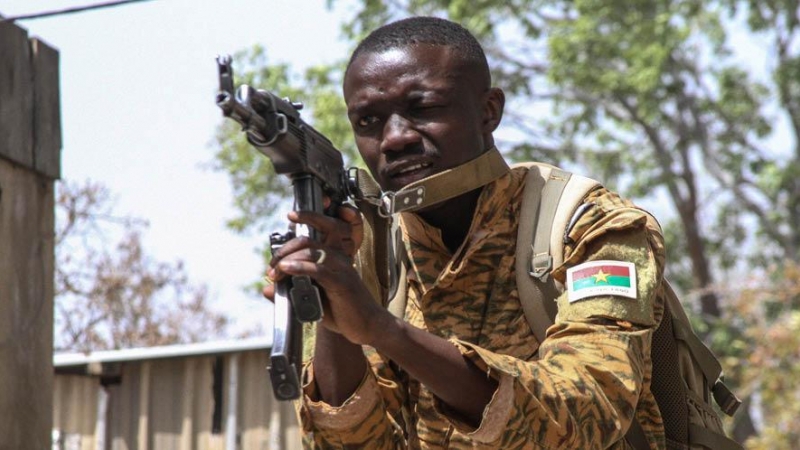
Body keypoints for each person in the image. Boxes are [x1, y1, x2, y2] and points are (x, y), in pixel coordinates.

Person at [263, 16, 667, 449]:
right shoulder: (374, 255)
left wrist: (382, 330)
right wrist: (337, 318)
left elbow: (590, 414)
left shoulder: (589, 224)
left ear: (488, 111)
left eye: (424, 108)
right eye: (368, 122)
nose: (394, 138)